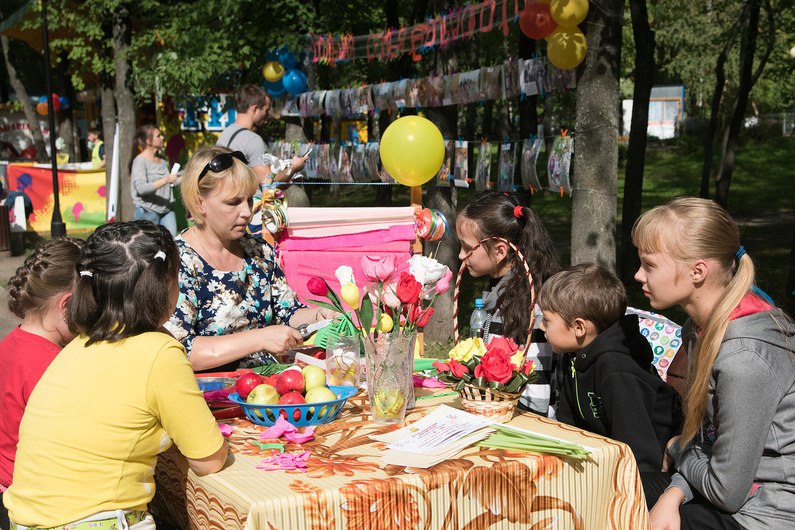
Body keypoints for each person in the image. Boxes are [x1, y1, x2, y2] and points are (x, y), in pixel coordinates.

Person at [3, 221, 228, 529]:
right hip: (97, 521)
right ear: (166, 284)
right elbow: (209, 460)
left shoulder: (77, 345)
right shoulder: (160, 352)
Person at [633, 197, 795, 529]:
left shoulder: (745, 359)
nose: (637, 275)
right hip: (725, 487)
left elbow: (725, 491)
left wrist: (678, 447)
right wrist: (674, 493)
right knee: (614, 486)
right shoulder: (700, 328)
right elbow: (709, 440)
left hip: (764, 514)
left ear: (698, 271)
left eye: (649, 265)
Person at [165, 146, 335, 373]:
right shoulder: (177, 262)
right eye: (233, 202)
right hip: (210, 400)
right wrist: (259, 339)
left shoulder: (258, 250)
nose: (247, 212)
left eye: (248, 199)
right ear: (199, 203)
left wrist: (318, 315)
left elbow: (287, 311)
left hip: (270, 392)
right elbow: (179, 350)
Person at [537, 263, 682, 474]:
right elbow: (569, 428)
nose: (541, 327)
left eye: (547, 320)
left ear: (579, 327)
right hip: (603, 462)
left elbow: (639, 456)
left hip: (646, 477)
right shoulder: (575, 355)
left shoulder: (617, 371)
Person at [0, 237, 84, 529]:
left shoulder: (10, 343)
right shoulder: (51, 364)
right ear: (68, 303)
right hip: (34, 494)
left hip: (7, 486)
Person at [456, 190, 561, 416]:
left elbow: (536, 399)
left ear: (500, 250)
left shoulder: (530, 306)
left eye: (467, 248)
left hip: (525, 425)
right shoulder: (498, 292)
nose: (460, 256)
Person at [216, 84, 306, 187]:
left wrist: (285, 180)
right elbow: (268, 182)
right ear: (254, 109)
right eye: (266, 110)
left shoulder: (225, 133)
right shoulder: (252, 139)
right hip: (252, 202)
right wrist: (293, 167)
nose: (268, 115)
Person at [131, 124, 179, 236]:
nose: (162, 138)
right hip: (148, 212)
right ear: (149, 141)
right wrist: (166, 180)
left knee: (172, 245)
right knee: (150, 249)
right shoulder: (140, 161)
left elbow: (171, 182)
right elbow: (141, 189)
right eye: (159, 136)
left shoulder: (162, 161)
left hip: (167, 210)